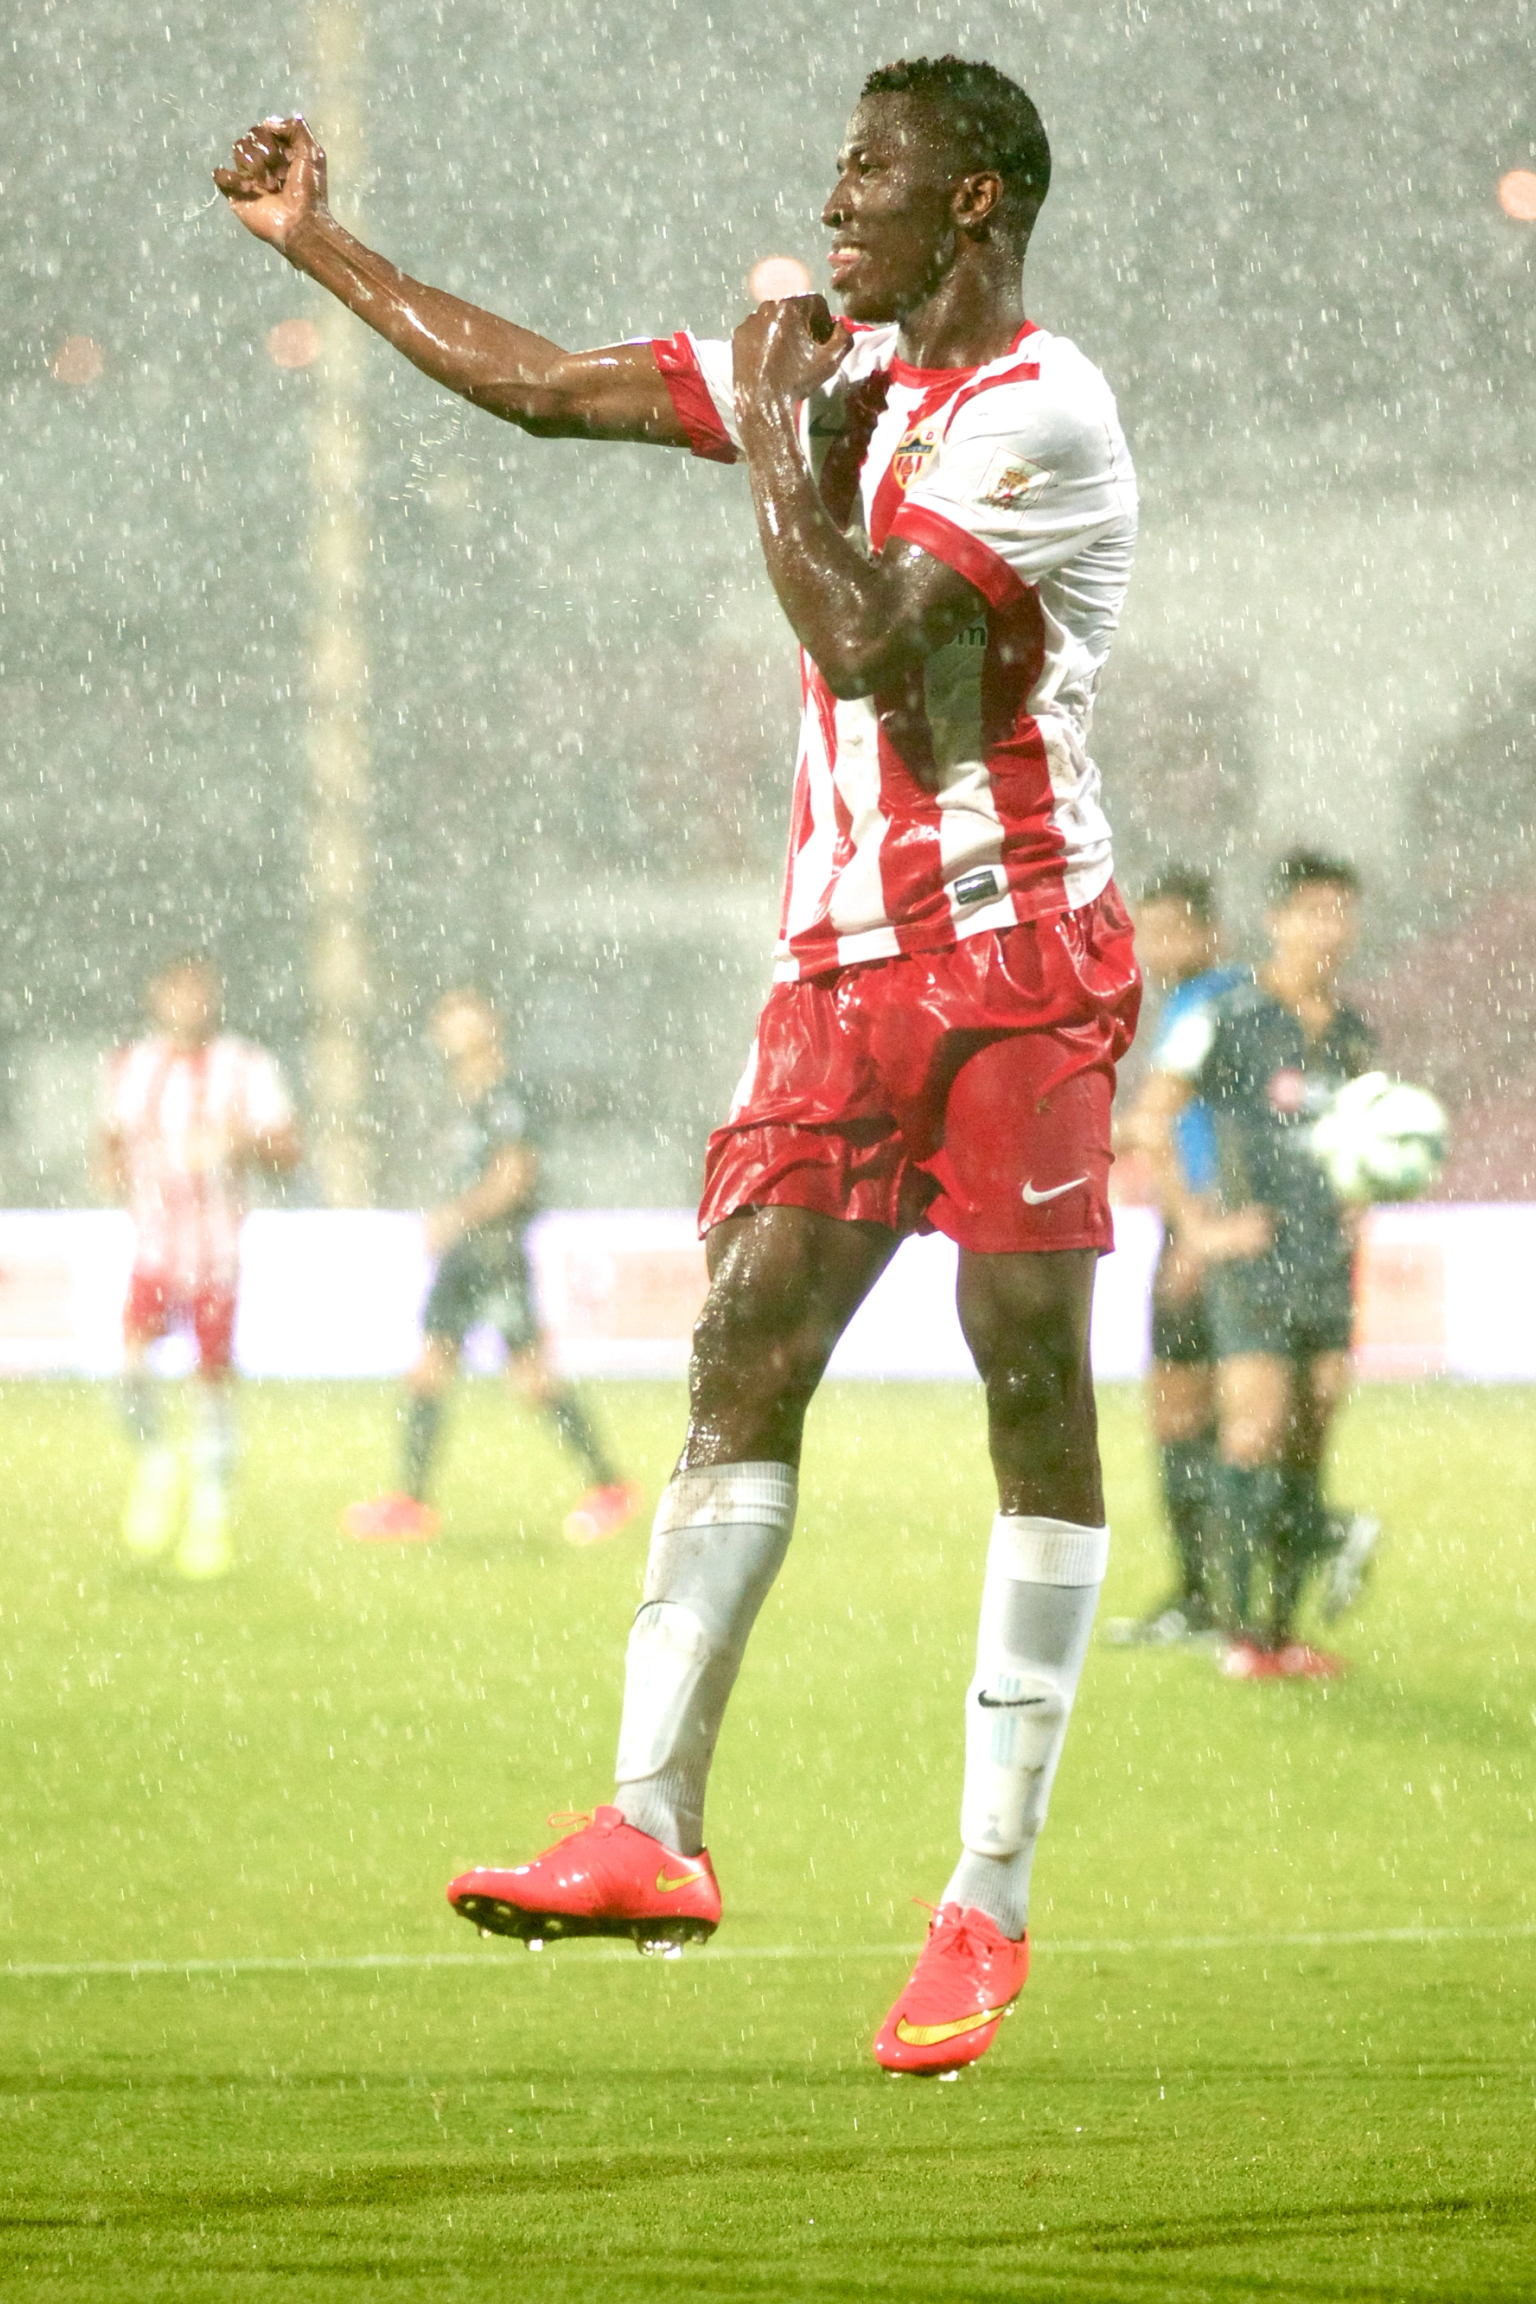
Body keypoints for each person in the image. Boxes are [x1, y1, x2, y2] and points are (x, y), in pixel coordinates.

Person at [217, 52, 1140, 2074]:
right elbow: (548, 385)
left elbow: (871, 638)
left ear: (974, 201)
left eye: (874, 175)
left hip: (1011, 961)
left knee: (1033, 1374)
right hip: (838, 969)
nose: (836, 202)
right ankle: (650, 1821)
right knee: (743, 1348)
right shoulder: (844, 382)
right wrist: (322, 248)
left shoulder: (1040, 411)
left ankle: (982, 1899)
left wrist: (783, 437)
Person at [1145, 851, 1381, 1678]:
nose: (1331, 928)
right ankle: (1240, 1635)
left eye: (1342, 912)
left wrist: (1366, 1197)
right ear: (1278, 919)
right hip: (1252, 1260)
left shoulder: (1351, 1032)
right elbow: (1151, 1118)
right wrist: (1200, 1228)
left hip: (1325, 1262)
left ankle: (1283, 1632)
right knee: (1253, 1432)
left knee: (1312, 1435)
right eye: (1314, 910)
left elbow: (1369, 1141)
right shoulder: (1232, 1013)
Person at [341, 989, 640, 1547]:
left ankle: (609, 1486)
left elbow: (515, 1176)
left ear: (488, 1024)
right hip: (465, 1257)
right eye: (444, 1016)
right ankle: (409, 1502)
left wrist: (456, 1217)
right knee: (429, 1369)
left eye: (460, 1013)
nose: (447, 1026)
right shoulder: (466, 1096)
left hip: (494, 1253)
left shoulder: (506, 1096)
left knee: (531, 1379)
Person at [98, 957, 299, 1578]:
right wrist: (113, 1173)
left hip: (215, 1256)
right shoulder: (132, 1065)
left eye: (199, 993)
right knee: (127, 1367)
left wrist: (245, 1144)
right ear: (159, 997)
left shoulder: (247, 1066)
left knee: (211, 1387)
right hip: (156, 1248)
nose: (190, 1004)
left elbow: (289, 1151)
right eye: (177, 992)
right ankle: (157, 1463)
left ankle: (210, 1516)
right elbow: (108, 1143)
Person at [1105, 869, 1249, 1645]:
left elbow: (1160, 1126)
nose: (1155, 949)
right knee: (1204, 1412)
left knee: (1192, 1411)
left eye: (1170, 932)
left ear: (1208, 932)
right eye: (1146, 933)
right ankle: (1222, 1600)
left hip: (1206, 1222)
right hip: (1204, 1221)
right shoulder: (1215, 1002)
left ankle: (1216, 1599)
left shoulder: (1211, 1004)